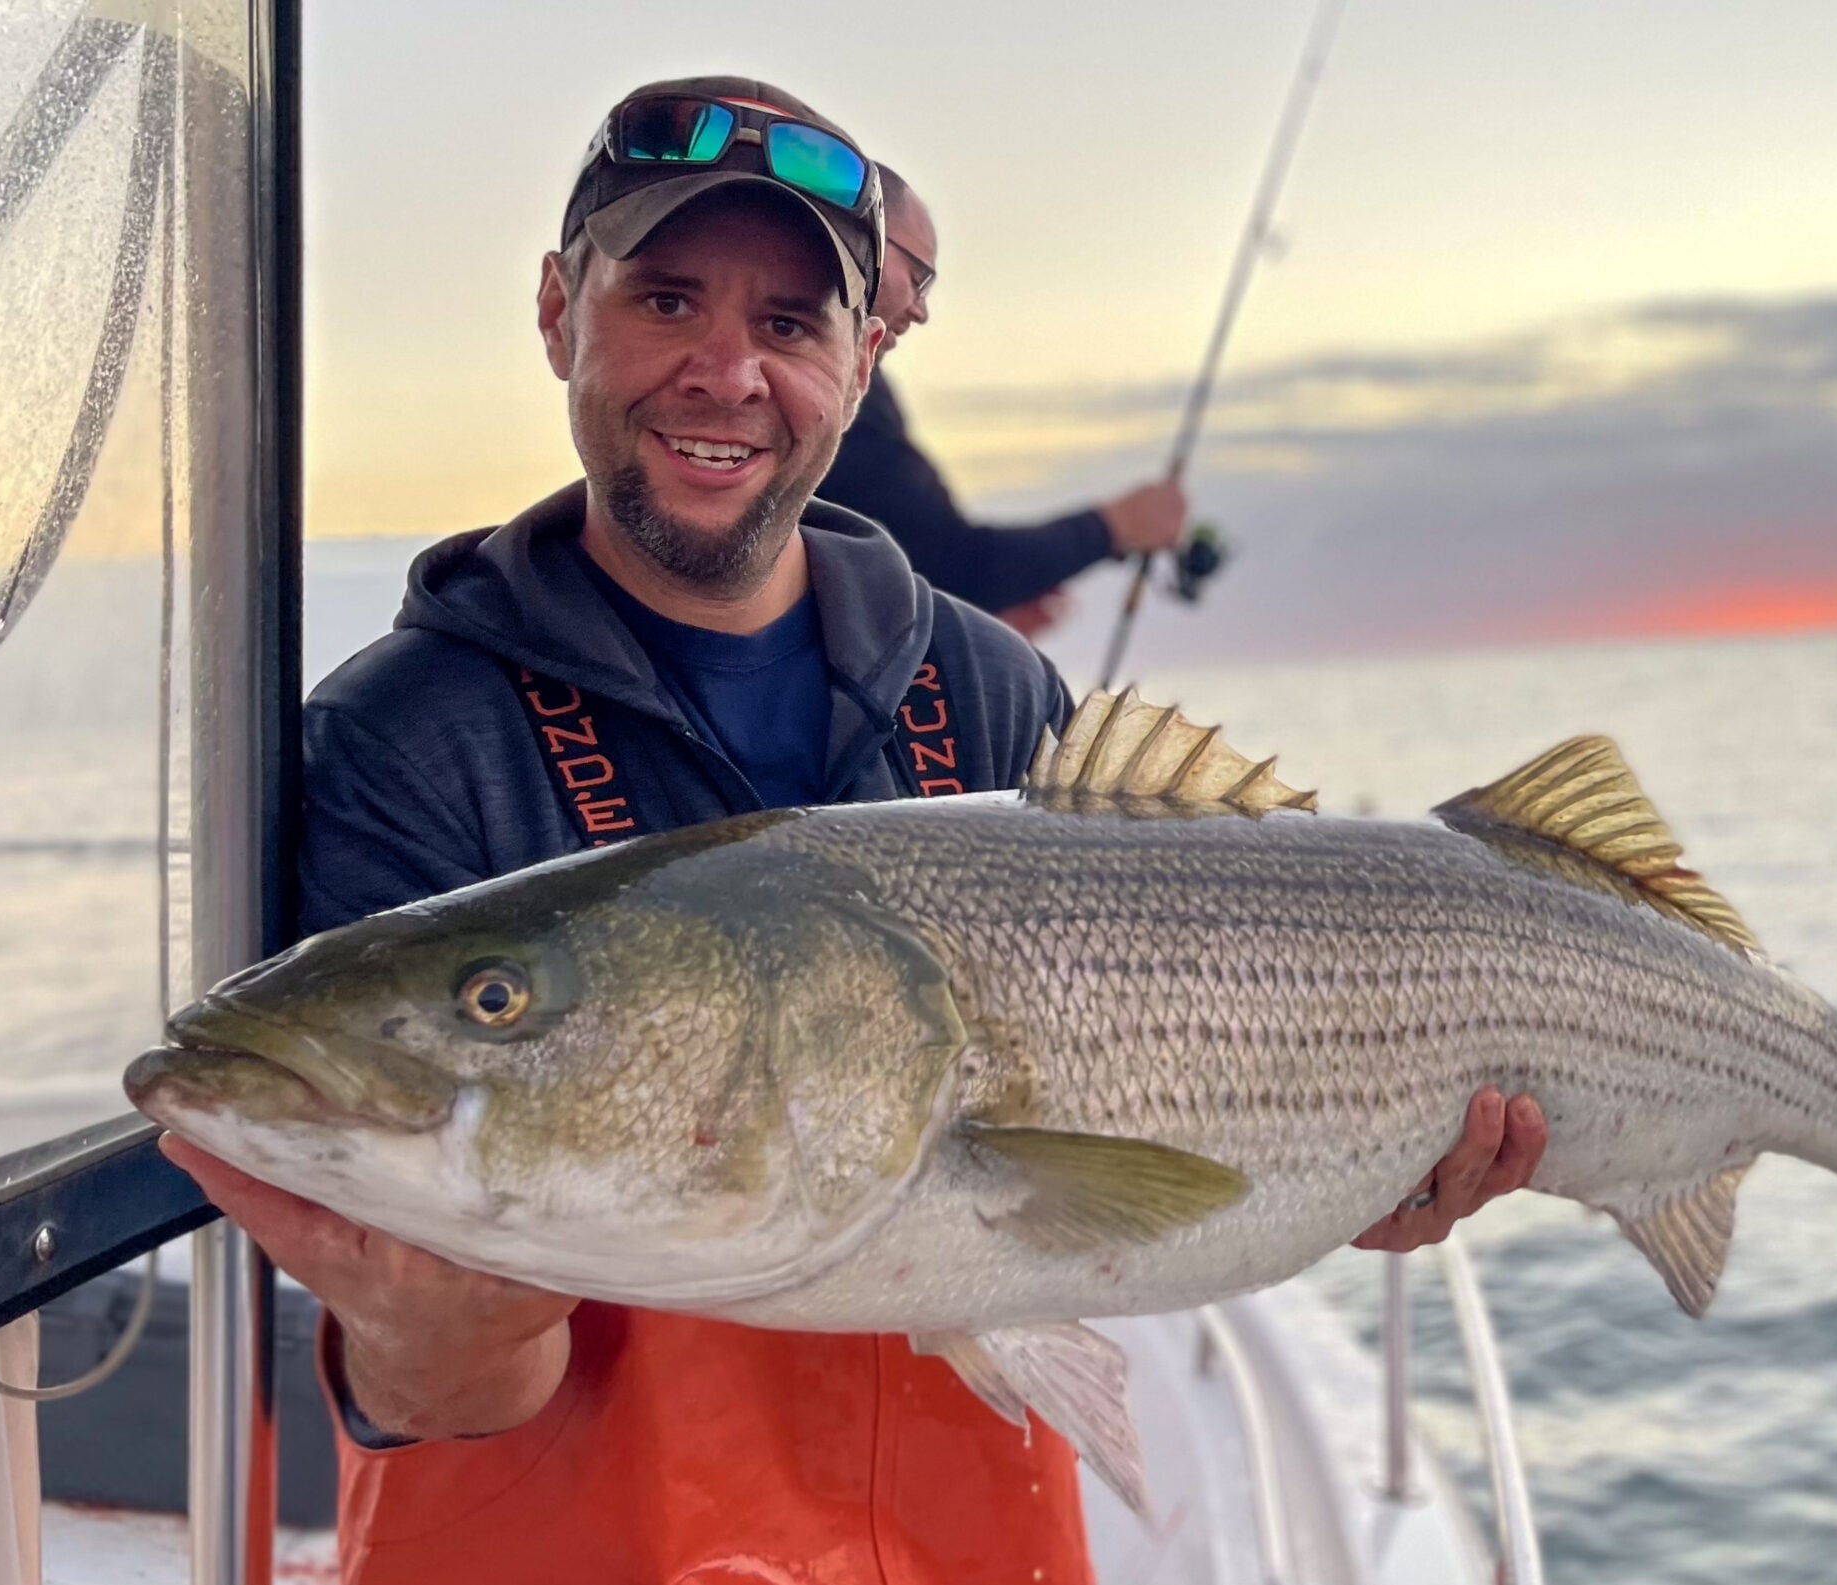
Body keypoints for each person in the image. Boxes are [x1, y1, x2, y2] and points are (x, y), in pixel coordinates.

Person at [157, 75, 1544, 1585]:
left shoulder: (989, 681)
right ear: (560, 312)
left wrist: (1347, 1161)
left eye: (793, 325)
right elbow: (441, 1388)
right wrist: (427, 1333)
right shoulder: (408, 741)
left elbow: (1110, 1187)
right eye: (667, 298)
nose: (725, 371)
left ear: (864, 359)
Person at [813, 163, 1185, 636]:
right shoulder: (835, 392)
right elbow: (953, 564)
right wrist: (1115, 526)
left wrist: (980, 623)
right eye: (918, 276)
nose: (921, 311)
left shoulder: (863, 384)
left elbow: (907, 570)